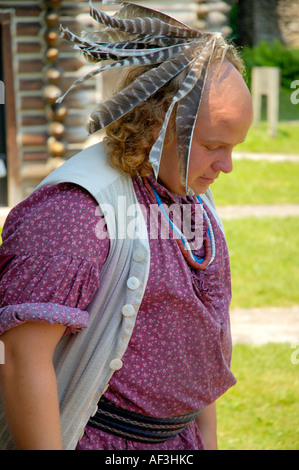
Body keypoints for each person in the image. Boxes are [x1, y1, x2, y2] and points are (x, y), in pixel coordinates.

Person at [0, 1, 253, 450]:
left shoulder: (185, 192)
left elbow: (198, 332)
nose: (227, 166)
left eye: (233, 147)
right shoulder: (75, 210)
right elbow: (23, 360)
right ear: (157, 127)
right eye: (214, 145)